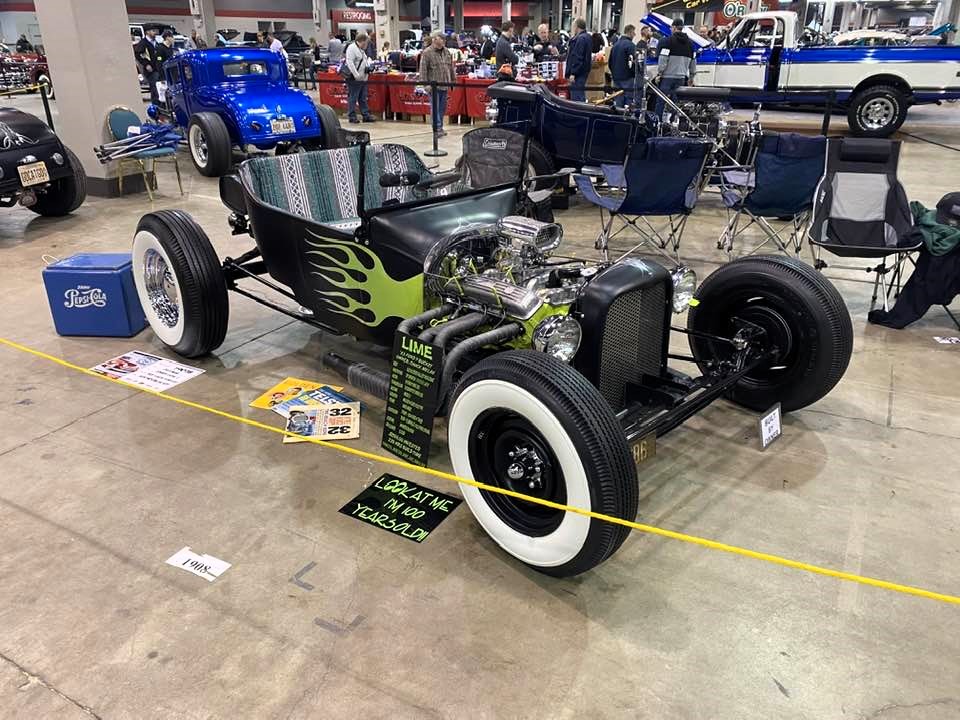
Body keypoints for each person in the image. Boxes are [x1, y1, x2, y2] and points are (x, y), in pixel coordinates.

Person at [655, 18, 696, 119]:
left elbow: (663, 59)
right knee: (676, 103)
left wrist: (659, 73)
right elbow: (693, 62)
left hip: (667, 77)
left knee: (661, 101)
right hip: (681, 78)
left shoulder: (667, 41)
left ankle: (657, 123)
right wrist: (691, 77)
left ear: (673, 27)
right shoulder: (690, 44)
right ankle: (674, 122)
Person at [419, 31, 455, 137]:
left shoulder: (447, 52)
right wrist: (425, 85)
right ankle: (437, 128)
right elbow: (423, 70)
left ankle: (440, 127)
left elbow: (451, 67)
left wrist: (453, 80)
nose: (444, 41)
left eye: (444, 39)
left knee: (442, 108)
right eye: (441, 39)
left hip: (445, 85)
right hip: (433, 87)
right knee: (435, 108)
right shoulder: (427, 53)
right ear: (434, 39)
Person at [344, 32, 375, 124]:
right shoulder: (352, 48)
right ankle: (352, 116)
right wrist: (356, 75)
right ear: (361, 41)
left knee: (362, 98)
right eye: (365, 43)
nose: (366, 45)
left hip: (363, 79)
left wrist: (368, 67)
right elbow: (350, 63)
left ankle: (365, 115)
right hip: (354, 79)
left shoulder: (361, 49)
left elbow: (364, 60)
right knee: (353, 98)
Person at [609, 24, 637, 108]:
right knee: (628, 101)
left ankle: (617, 119)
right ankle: (626, 119)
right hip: (627, 78)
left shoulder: (615, 45)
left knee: (618, 100)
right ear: (631, 32)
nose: (634, 35)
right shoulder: (631, 45)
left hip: (616, 78)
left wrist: (613, 73)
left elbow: (610, 62)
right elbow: (633, 63)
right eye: (634, 33)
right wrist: (634, 73)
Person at [565, 18, 592, 102]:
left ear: (577, 26)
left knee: (577, 98)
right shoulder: (588, 37)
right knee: (580, 95)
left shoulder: (580, 39)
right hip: (584, 71)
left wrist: (573, 73)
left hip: (578, 74)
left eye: (573, 26)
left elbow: (578, 56)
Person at [134, 28, 161, 104]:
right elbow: (138, 55)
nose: (154, 33)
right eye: (153, 31)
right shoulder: (143, 43)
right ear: (147, 32)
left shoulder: (155, 42)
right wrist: (146, 64)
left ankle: (162, 102)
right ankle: (156, 103)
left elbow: (158, 55)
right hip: (150, 69)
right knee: (154, 86)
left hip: (158, 67)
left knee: (160, 86)